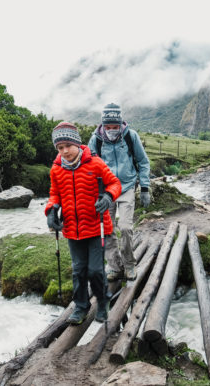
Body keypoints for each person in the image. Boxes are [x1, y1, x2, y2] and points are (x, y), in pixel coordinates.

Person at [45, 122, 122, 325]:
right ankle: (81, 307)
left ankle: (103, 302)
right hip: (71, 228)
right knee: (78, 269)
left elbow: (115, 183)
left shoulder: (95, 164)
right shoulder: (56, 169)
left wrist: (107, 196)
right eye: (60, 148)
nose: (65, 151)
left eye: (68, 146)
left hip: (97, 227)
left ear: (77, 144)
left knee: (96, 270)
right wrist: (51, 211)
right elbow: (55, 194)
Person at [88, 103, 151, 281]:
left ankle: (130, 265)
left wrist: (145, 188)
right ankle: (115, 266)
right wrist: (94, 193)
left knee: (125, 227)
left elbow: (143, 161)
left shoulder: (130, 136)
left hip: (127, 186)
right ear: (103, 125)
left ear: (120, 123)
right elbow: (90, 167)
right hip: (106, 191)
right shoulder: (96, 140)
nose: (112, 130)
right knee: (107, 230)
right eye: (108, 127)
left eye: (115, 127)